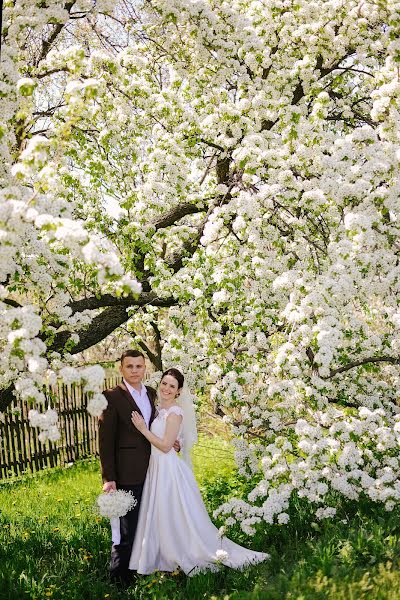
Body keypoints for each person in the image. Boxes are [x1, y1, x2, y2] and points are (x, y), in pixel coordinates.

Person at [129, 367, 269, 576]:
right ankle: (162, 556)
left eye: (172, 386)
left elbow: (166, 446)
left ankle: (179, 554)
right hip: (156, 467)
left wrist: (143, 429)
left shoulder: (175, 412)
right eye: (164, 383)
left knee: (171, 512)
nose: (166, 388)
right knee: (159, 512)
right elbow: (172, 441)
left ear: (179, 391)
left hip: (167, 469)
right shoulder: (159, 409)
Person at [98, 350, 180, 585]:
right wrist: (108, 477)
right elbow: (106, 440)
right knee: (125, 528)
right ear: (121, 369)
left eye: (139, 366)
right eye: (129, 366)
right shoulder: (111, 396)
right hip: (126, 473)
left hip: (154, 471)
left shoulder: (152, 393)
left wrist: (171, 440)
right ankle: (119, 579)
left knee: (148, 522)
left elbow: (157, 426)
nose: (134, 371)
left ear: (145, 369)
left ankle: (143, 569)